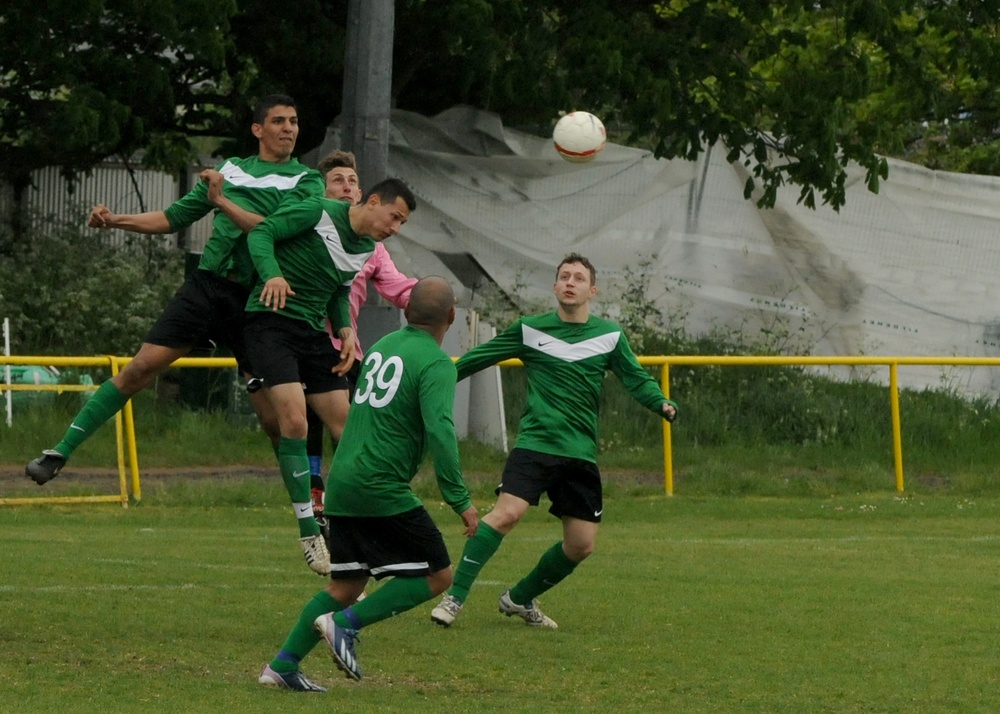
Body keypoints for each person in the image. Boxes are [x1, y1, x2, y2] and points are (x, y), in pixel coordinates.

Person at [25, 93, 324, 493]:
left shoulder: (307, 181)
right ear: (257, 129)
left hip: (257, 300)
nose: (289, 128)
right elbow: (174, 217)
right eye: (279, 121)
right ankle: (58, 453)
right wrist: (116, 220)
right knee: (139, 369)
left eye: (293, 121)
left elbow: (278, 229)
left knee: (277, 421)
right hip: (209, 286)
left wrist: (221, 201)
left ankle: (312, 515)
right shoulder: (231, 169)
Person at [429, 253, 678, 629]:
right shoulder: (530, 330)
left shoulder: (609, 335)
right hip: (535, 445)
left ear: (592, 290)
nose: (570, 282)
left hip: (580, 454)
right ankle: (454, 598)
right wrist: (431, 380)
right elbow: (474, 360)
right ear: (555, 286)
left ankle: (519, 598)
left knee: (581, 545)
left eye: (579, 278)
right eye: (564, 276)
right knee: (506, 514)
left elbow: (636, 379)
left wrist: (660, 401)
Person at [258, 276, 478, 690]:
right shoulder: (433, 362)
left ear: (407, 310)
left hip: (342, 481)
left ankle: (283, 666)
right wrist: (459, 499)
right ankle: (346, 627)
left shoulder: (380, 348)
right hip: (380, 486)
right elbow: (442, 432)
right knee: (439, 575)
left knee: (346, 583)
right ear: (451, 317)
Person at [242, 177, 417, 575]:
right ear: (373, 202)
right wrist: (272, 274)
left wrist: (345, 329)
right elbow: (262, 233)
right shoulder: (317, 210)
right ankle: (308, 531)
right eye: (394, 217)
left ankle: (349, 525)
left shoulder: (366, 247)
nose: (394, 228)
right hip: (269, 323)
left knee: (350, 428)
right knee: (295, 421)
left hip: (310, 333)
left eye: (401, 223)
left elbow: (339, 291)